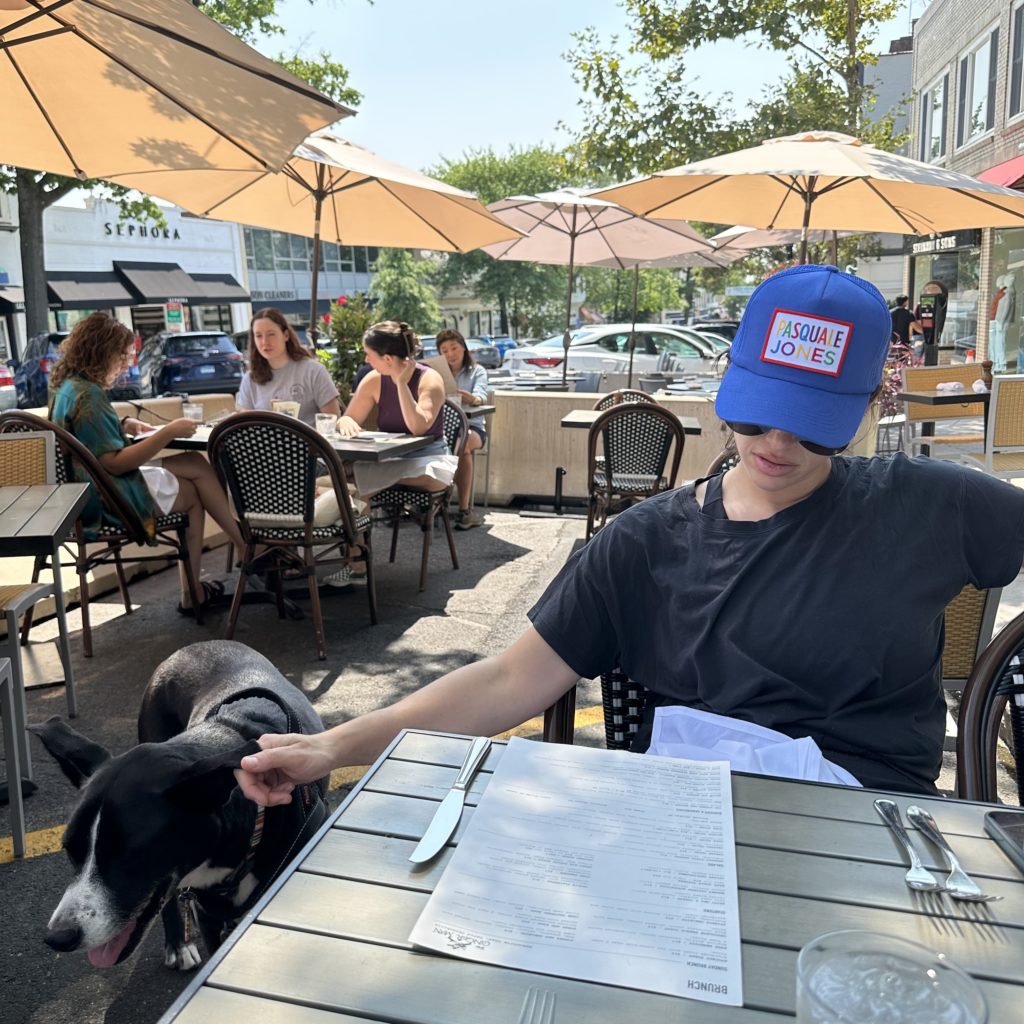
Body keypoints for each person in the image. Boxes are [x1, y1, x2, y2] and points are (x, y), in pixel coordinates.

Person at [236, 266, 1024, 804]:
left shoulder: (925, 504)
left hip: (873, 824)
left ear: (869, 405)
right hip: (691, 823)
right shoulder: (645, 542)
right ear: (728, 385)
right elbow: (509, 681)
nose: (778, 445)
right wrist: (334, 745)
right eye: (756, 415)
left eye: (813, 425)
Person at [50, 312, 247, 616]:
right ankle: (203, 582)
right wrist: (169, 432)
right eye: (122, 356)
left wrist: (124, 424)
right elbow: (115, 463)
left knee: (193, 462)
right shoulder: (89, 396)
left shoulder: (70, 388)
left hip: (84, 492)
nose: (125, 364)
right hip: (107, 499)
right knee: (194, 494)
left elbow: (88, 436)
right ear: (102, 352)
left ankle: (232, 558)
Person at [322, 320, 458, 587]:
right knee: (353, 484)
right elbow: (348, 417)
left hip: (430, 465)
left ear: (386, 358)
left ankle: (356, 565)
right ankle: (356, 561)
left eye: (368, 354)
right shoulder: (373, 379)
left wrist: (401, 385)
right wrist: (346, 422)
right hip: (391, 462)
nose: (365, 360)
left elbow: (418, 427)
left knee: (356, 482)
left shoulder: (429, 378)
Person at [236, 307, 341, 426]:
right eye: (258, 336)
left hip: (309, 438)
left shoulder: (314, 371)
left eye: (271, 334)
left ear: (285, 335)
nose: (265, 342)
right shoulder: (250, 379)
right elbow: (245, 425)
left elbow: (333, 420)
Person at [437, 327, 488, 529]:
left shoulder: (477, 371)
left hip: (473, 427)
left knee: (463, 444)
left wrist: (472, 398)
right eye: (444, 351)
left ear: (464, 348)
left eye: (454, 348)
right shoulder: (436, 374)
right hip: (444, 428)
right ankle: (431, 502)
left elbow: (481, 397)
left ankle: (464, 510)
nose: (450, 354)